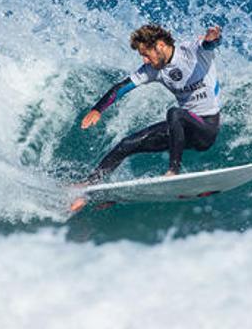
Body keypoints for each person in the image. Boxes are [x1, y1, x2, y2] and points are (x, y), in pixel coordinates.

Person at [72, 24, 223, 211]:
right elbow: (122, 87)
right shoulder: (153, 70)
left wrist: (213, 38)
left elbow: (209, 45)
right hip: (181, 131)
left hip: (206, 127)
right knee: (127, 144)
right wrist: (98, 109)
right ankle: (89, 184)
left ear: (160, 45)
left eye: (146, 54)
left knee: (174, 113)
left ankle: (173, 171)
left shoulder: (192, 50)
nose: (145, 60)